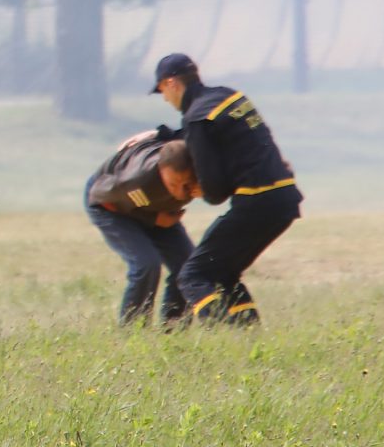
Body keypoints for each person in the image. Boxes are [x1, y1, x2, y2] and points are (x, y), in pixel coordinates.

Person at [150, 52, 302, 326]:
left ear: (171, 83)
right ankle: (249, 335)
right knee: (223, 272)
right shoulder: (230, 97)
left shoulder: (197, 119)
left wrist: (196, 191)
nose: (164, 98)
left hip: (256, 201)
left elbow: (215, 191)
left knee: (192, 276)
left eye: (162, 90)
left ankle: (224, 334)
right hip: (284, 197)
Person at [84, 134, 200, 325]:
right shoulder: (136, 179)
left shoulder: (199, 167)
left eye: (186, 185)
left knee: (187, 266)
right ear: (160, 169)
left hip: (156, 208)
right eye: (173, 184)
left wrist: (156, 133)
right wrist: (153, 219)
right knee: (146, 264)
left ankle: (174, 332)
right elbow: (98, 195)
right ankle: (134, 333)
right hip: (110, 205)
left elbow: (187, 131)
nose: (180, 193)